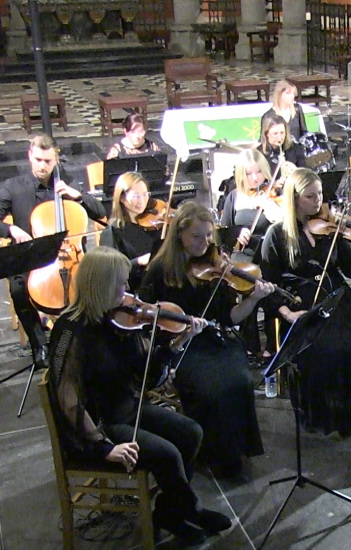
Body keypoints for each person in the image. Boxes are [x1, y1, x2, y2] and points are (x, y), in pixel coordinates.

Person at [47, 246, 231, 544]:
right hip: (100, 426)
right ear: (102, 285)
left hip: (127, 409)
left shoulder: (119, 320)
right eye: (122, 282)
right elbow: (67, 398)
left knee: (191, 432)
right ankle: (189, 510)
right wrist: (104, 447)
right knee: (168, 454)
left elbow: (149, 375)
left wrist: (176, 344)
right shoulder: (70, 330)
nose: (129, 289)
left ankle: (170, 512)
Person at [139, 201, 274, 478]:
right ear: (180, 235)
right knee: (210, 388)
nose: (205, 242)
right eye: (197, 236)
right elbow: (144, 316)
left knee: (240, 381)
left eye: (209, 235)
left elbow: (231, 317)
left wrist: (254, 298)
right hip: (181, 346)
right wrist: (178, 330)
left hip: (216, 339)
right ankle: (210, 452)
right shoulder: (160, 270)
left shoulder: (216, 268)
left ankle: (238, 450)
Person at [259, 168, 351, 436]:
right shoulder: (276, 235)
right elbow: (269, 287)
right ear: (294, 199)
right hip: (300, 301)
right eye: (310, 196)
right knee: (328, 349)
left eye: (320, 194)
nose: (319, 201)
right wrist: (287, 314)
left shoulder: (331, 229)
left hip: (335, 294)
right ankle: (330, 415)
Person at [0, 134, 106, 369]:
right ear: (30, 156)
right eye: (38, 160)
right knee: (18, 288)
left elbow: (101, 212)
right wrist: (11, 229)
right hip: (31, 257)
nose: (43, 166)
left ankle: (85, 338)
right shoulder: (13, 186)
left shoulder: (65, 182)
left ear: (55, 159)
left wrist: (78, 196)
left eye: (48, 161)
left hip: (68, 255)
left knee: (90, 281)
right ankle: (41, 346)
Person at [99, 172, 163, 293]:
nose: (142, 200)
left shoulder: (155, 224)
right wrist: (138, 261)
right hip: (135, 291)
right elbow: (111, 271)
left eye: (145, 194)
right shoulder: (112, 232)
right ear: (122, 198)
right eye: (136, 196)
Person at [219, 148, 281, 262]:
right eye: (248, 173)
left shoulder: (273, 193)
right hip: (242, 256)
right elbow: (223, 233)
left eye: (259, 171)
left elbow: (285, 223)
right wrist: (237, 232)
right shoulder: (234, 196)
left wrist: (267, 205)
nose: (255, 178)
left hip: (270, 256)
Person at [258, 112, 306, 194]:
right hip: (271, 197)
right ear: (267, 134)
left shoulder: (296, 148)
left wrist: (296, 171)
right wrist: (273, 185)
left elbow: (308, 175)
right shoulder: (259, 154)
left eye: (282, 133)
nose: (280, 137)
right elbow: (256, 184)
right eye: (275, 134)